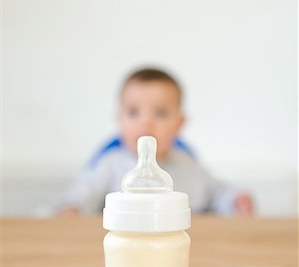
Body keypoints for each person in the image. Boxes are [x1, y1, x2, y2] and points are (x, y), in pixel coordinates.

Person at [57, 68, 253, 216]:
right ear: (119, 119)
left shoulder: (189, 166)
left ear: (179, 124)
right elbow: (81, 196)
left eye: (160, 113)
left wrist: (237, 200)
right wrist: (72, 209)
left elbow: (219, 192)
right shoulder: (110, 166)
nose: (146, 122)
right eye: (133, 112)